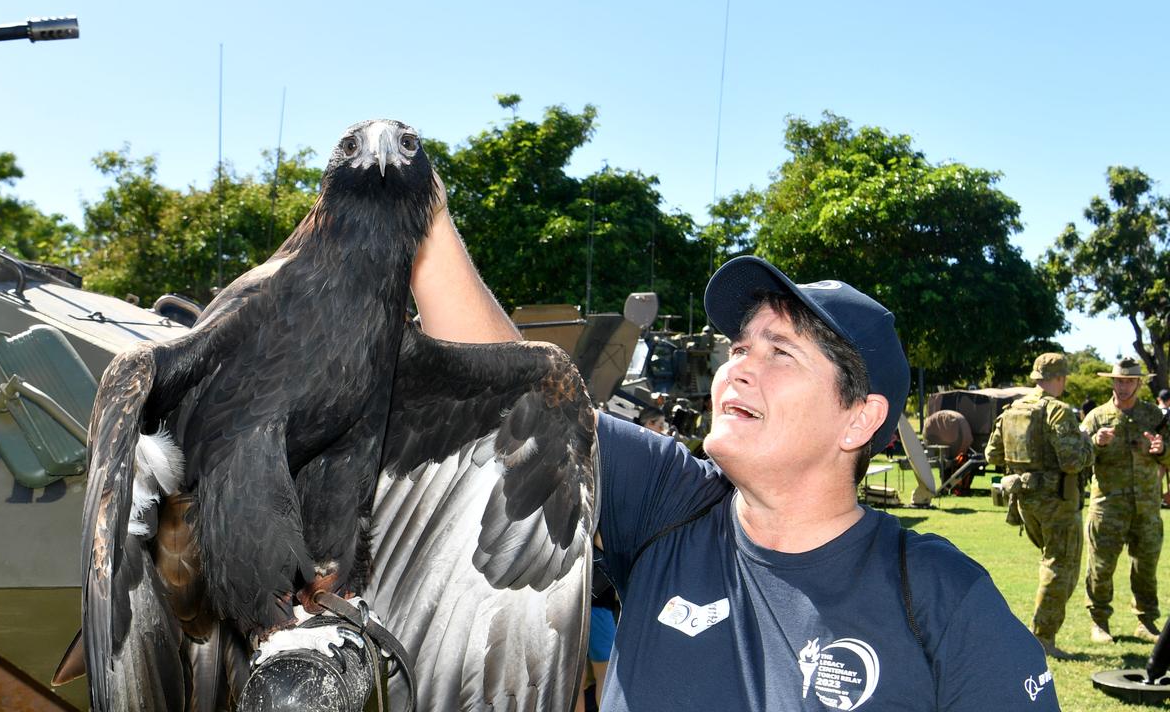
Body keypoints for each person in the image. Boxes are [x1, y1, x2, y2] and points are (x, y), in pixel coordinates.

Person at [410, 188, 1056, 709]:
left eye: (781, 353)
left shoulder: (943, 596)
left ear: (858, 421)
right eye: (741, 348)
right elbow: (515, 387)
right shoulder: (669, 506)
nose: (738, 369)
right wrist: (427, 214)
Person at [984, 353, 1094, 659]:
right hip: (1056, 501)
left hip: (1024, 501)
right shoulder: (1057, 410)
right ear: (1060, 378)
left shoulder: (1013, 409)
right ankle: (1042, 638)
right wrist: (1090, 443)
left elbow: (992, 454)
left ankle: (1040, 635)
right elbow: (1073, 461)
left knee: (1051, 562)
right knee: (1060, 566)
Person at [1080, 358, 1168, 643]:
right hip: (1108, 506)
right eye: (1119, 380)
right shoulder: (1096, 417)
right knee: (1101, 567)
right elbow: (1076, 458)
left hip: (1146, 506)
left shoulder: (1155, 416)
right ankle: (1099, 622)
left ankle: (1146, 621)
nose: (1123, 385)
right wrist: (1095, 443)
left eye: (1129, 381)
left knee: (1146, 567)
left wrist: (1162, 448)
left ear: (1139, 383)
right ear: (1112, 382)